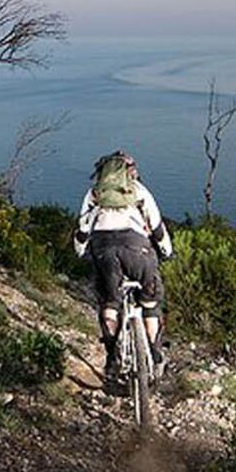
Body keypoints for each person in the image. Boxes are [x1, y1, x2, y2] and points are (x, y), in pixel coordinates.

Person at [73, 150, 172, 386]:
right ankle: (155, 352)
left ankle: (111, 358)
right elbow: (157, 227)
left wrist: (80, 251)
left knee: (110, 303)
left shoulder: (94, 194)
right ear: (131, 172)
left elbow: (83, 229)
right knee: (150, 301)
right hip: (137, 250)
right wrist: (167, 251)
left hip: (104, 250)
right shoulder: (139, 191)